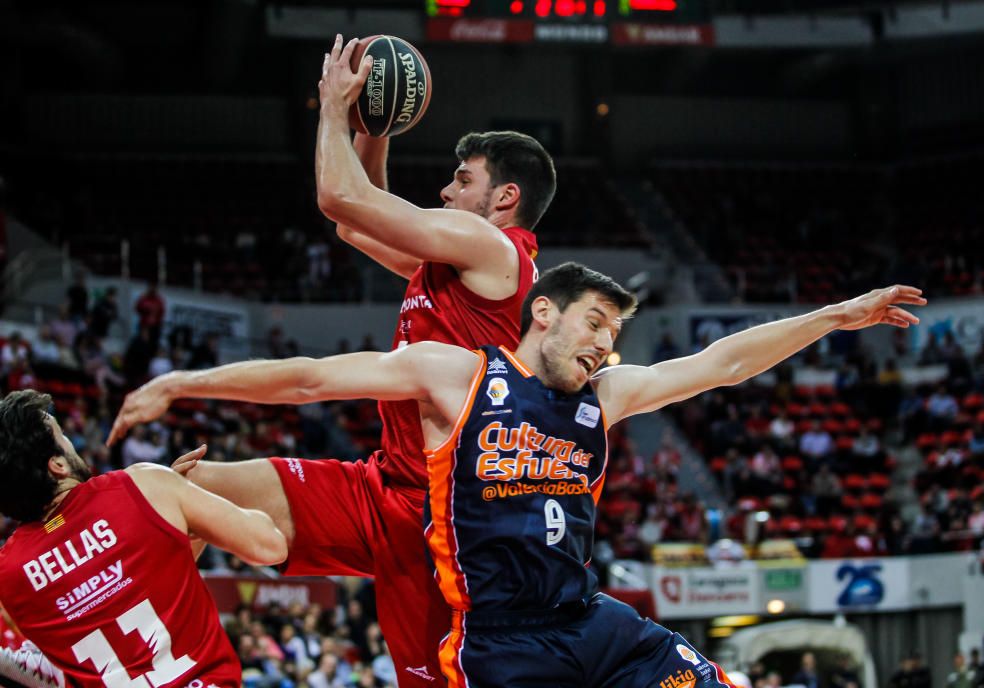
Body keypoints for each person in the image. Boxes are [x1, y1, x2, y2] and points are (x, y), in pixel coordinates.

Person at [110, 263, 924, 686]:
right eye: (595, 323)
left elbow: (720, 365)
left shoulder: (604, 398)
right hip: (501, 647)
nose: (606, 343)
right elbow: (313, 378)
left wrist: (834, 318)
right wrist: (185, 384)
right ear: (544, 313)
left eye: (615, 331)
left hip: (595, 623)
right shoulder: (455, 376)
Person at [107, 35, 556, 688]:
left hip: (445, 518)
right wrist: (375, 130)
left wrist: (332, 108)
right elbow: (359, 223)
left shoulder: (494, 249)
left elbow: (338, 200)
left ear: (506, 198)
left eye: (463, 180)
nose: (445, 189)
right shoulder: (456, 262)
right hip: (383, 487)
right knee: (183, 486)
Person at [0, 389, 287, 687]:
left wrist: (175, 521)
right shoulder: (142, 484)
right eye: (64, 438)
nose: (74, 444)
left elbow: (134, 593)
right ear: (57, 466)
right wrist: (186, 499)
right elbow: (270, 545)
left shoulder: (9, 575)